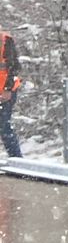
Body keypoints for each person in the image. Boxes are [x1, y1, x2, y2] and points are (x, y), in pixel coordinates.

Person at [0, 29, 21, 158]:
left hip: (5, 93)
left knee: (3, 125)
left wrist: (7, 89)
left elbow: (14, 66)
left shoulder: (5, 41)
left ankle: (17, 159)